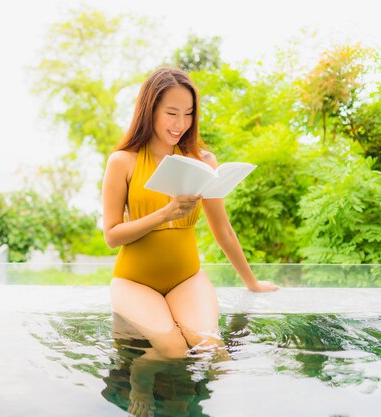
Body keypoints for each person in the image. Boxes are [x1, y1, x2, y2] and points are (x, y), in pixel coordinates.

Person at [102, 66, 280, 364]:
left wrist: (252, 283)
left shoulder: (202, 162)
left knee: (213, 350)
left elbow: (223, 230)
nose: (180, 123)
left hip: (187, 279)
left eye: (188, 113)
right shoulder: (123, 162)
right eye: (172, 113)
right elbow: (111, 236)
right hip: (134, 282)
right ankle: (141, 371)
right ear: (150, 110)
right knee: (173, 350)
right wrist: (165, 214)